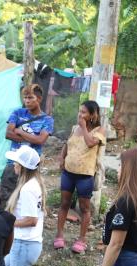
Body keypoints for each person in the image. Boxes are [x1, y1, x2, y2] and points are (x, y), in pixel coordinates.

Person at [54, 100, 106, 252]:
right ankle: (59, 234)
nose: (80, 114)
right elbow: (67, 144)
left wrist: (83, 127)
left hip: (85, 175)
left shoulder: (100, 130)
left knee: (84, 208)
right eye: (79, 111)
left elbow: (90, 143)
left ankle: (82, 239)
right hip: (68, 173)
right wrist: (62, 158)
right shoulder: (75, 128)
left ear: (92, 115)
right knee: (64, 204)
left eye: (84, 112)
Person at [0, 84, 54, 209]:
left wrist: (20, 132)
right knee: (5, 198)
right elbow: (8, 134)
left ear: (39, 99)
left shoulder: (47, 119)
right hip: (13, 163)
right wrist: (32, 138)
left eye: (30, 98)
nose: (27, 101)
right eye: (25, 98)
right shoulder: (18, 112)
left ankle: (21, 225)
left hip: (31, 166)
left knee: (26, 200)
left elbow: (41, 140)